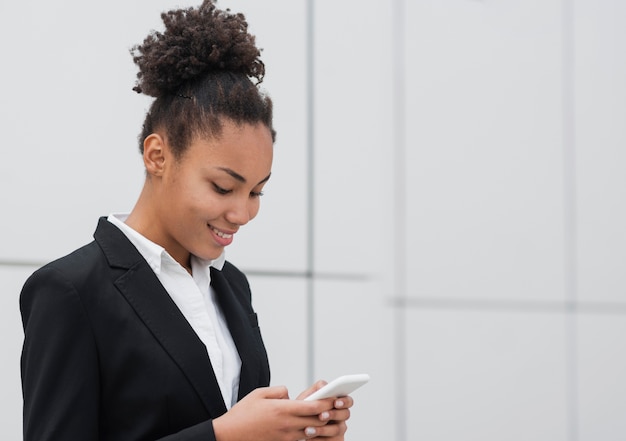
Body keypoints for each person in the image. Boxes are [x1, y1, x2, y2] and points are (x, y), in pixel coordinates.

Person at [19, 1, 354, 440]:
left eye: (256, 192)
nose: (242, 213)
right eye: (222, 187)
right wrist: (222, 436)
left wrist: (294, 430)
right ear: (158, 155)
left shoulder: (230, 286)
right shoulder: (71, 291)